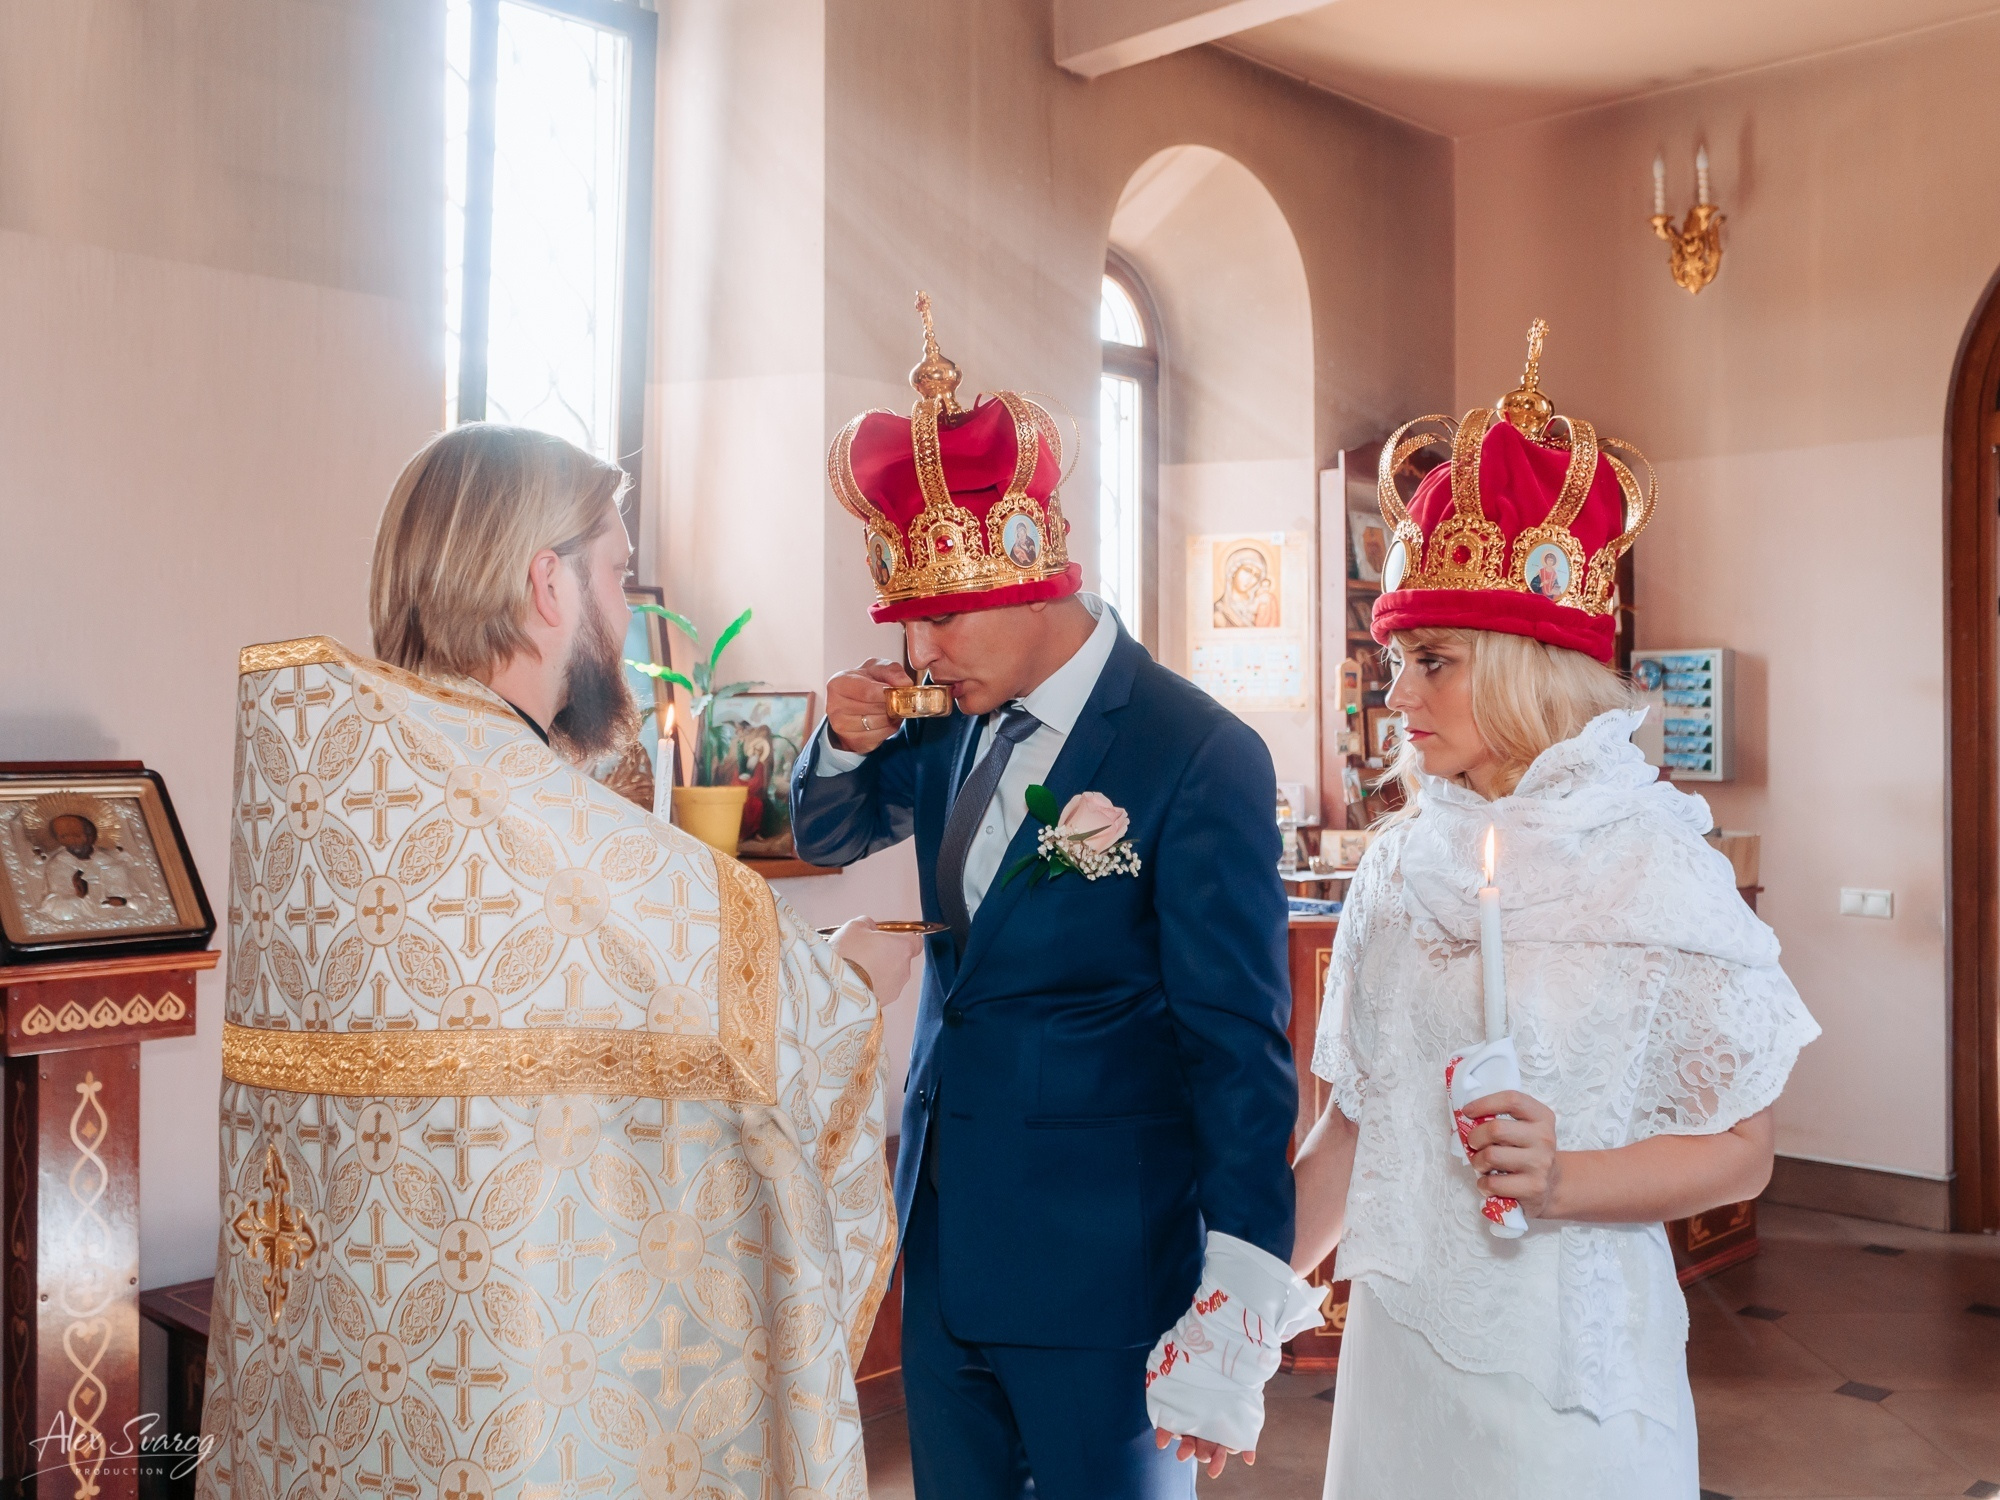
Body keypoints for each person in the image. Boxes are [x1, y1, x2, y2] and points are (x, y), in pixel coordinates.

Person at [201, 423, 921, 1500]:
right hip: (520, 1403)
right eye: (618, 574)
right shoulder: (542, 823)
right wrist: (852, 975)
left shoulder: (339, 789)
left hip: (342, 1395)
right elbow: (791, 1020)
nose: (628, 614)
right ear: (547, 583)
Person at [793, 296, 1319, 1500]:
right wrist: (837, 735)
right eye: (907, 628)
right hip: (943, 1243)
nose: (921, 656)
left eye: (943, 620)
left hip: (1106, 1274)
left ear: (1036, 578)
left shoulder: (1195, 753)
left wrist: (1236, 1301)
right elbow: (826, 832)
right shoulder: (941, 724)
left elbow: (1236, 1048)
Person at [1290, 326, 1819, 1498]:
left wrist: (1563, 1173)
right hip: (1396, 1362)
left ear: (1528, 663)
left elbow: (1741, 1152)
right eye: (1394, 661)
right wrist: (1247, 1311)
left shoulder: (1652, 864)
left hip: (1562, 1373)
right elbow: (1351, 1133)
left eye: (1433, 660)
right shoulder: (1395, 865)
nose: (1399, 693)